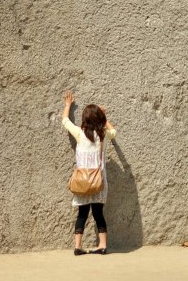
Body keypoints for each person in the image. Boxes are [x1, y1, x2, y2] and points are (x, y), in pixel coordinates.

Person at [62, 90, 117, 256]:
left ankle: (78, 247)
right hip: (99, 181)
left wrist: (67, 105)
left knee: (82, 213)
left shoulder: (79, 133)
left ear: (84, 119)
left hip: (82, 181)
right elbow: (114, 132)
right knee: (98, 213)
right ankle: (102, 245)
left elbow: (65, 121)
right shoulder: (103, 135)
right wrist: (104, 117)